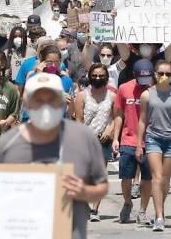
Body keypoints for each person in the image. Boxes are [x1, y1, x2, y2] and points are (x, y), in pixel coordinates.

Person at [0, 72, 109, 239]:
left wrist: (84, 192)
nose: (45, 106)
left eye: (51, 99)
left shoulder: (83, 138)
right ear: (26, 103)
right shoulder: (7, 144)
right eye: (38, 100)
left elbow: (101, 186)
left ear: (62, 101)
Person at [135, 60, 171, 232]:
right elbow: (142, 120)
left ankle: (159, 209)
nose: (164, 77)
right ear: (155, 74)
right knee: (156, 177)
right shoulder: (147, 95)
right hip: (153, 138)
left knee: (164, 180)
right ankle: (159, 216)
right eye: (161, 73)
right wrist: (138, 144)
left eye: (168, 74)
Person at [113, 59, 155, 225]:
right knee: (126, 177)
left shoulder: (156, 90)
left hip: (151, 141)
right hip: (128, 139)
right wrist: (116, 138)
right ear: (135, 75)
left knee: (147, 178)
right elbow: (118, 114)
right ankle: (128, 202)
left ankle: (143, 211)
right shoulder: (124, 88)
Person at [74, 63, 115, 222]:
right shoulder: (82, 96)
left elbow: (116, 117)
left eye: (101, 76)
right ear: (90, 77)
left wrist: (109, 130)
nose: (97, 78)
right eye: (94, 75)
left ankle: (95, 210)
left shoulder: (112, 96)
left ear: (106, 78)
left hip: (103, 139)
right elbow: (78, 119)